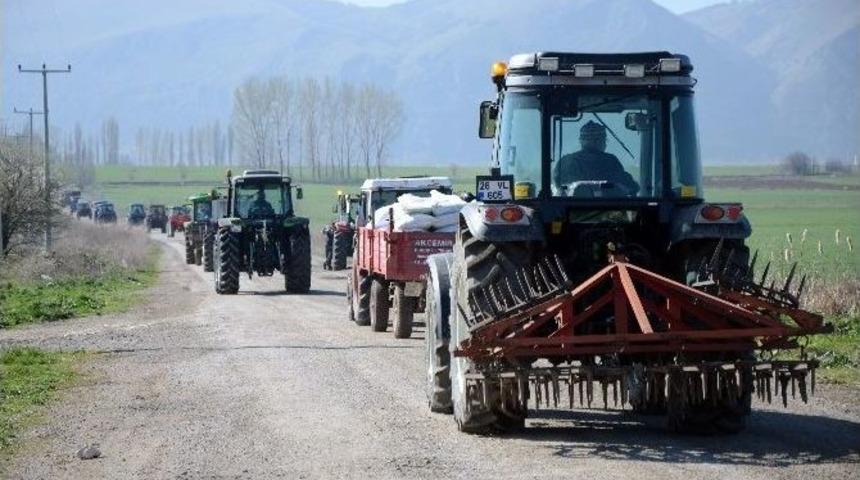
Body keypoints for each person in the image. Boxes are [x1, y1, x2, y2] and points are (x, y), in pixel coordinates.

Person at [553, 120, 639, 196]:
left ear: (581, 141)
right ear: (599, 141)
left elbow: (559, 187)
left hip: (569, 211)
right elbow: (631, 186)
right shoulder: (610, 161)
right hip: (609, 211)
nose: (605, 144)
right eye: (604, 140)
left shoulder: (566, 161)